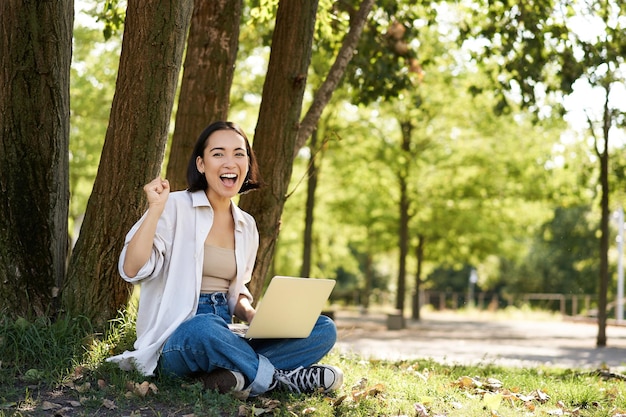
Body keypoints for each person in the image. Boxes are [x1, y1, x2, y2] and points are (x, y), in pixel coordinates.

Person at [107, 121, 343, 397]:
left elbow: (237, 289)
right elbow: (131, 268)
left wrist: (255, 317)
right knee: (205, 327)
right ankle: (278, 379)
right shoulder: (173, 206)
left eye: (239, 154)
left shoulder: (247, 225)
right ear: (201, 164)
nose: (230, 162)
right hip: (181, 339)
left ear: (247, 164)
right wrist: (154, 211)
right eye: (218, 154)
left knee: (323, 328)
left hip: (229, 334)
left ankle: (233, 376)